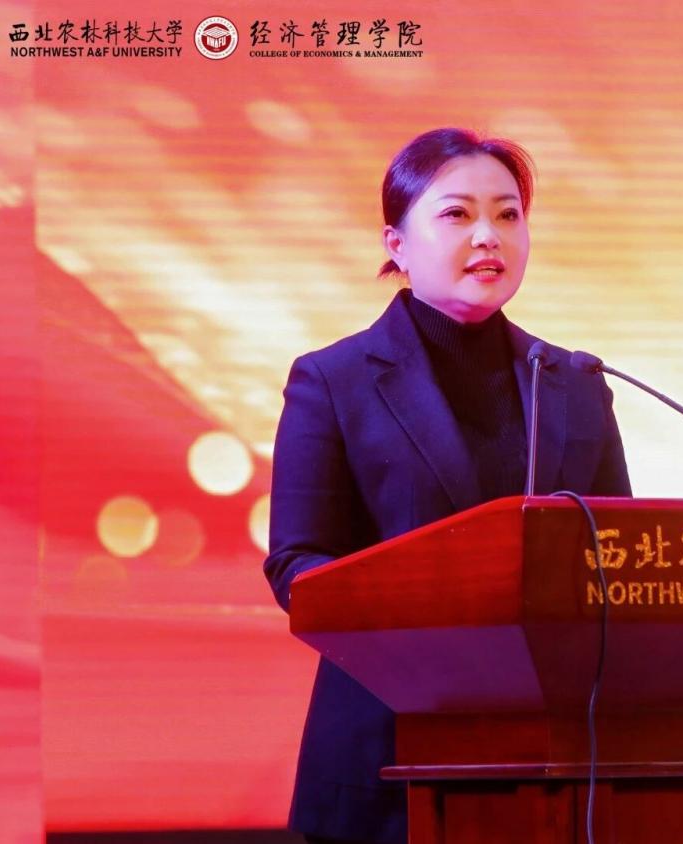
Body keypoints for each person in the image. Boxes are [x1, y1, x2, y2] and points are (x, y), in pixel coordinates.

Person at [262, 127, 632, 844]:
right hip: (387, 754)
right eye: (457, 214)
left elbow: (616, 556)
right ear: (396, 245)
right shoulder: (334, 381)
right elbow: (297, 567)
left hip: (554, 764)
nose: (488, 235)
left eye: (508, 214)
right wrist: (432, 628)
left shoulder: (575, 383)